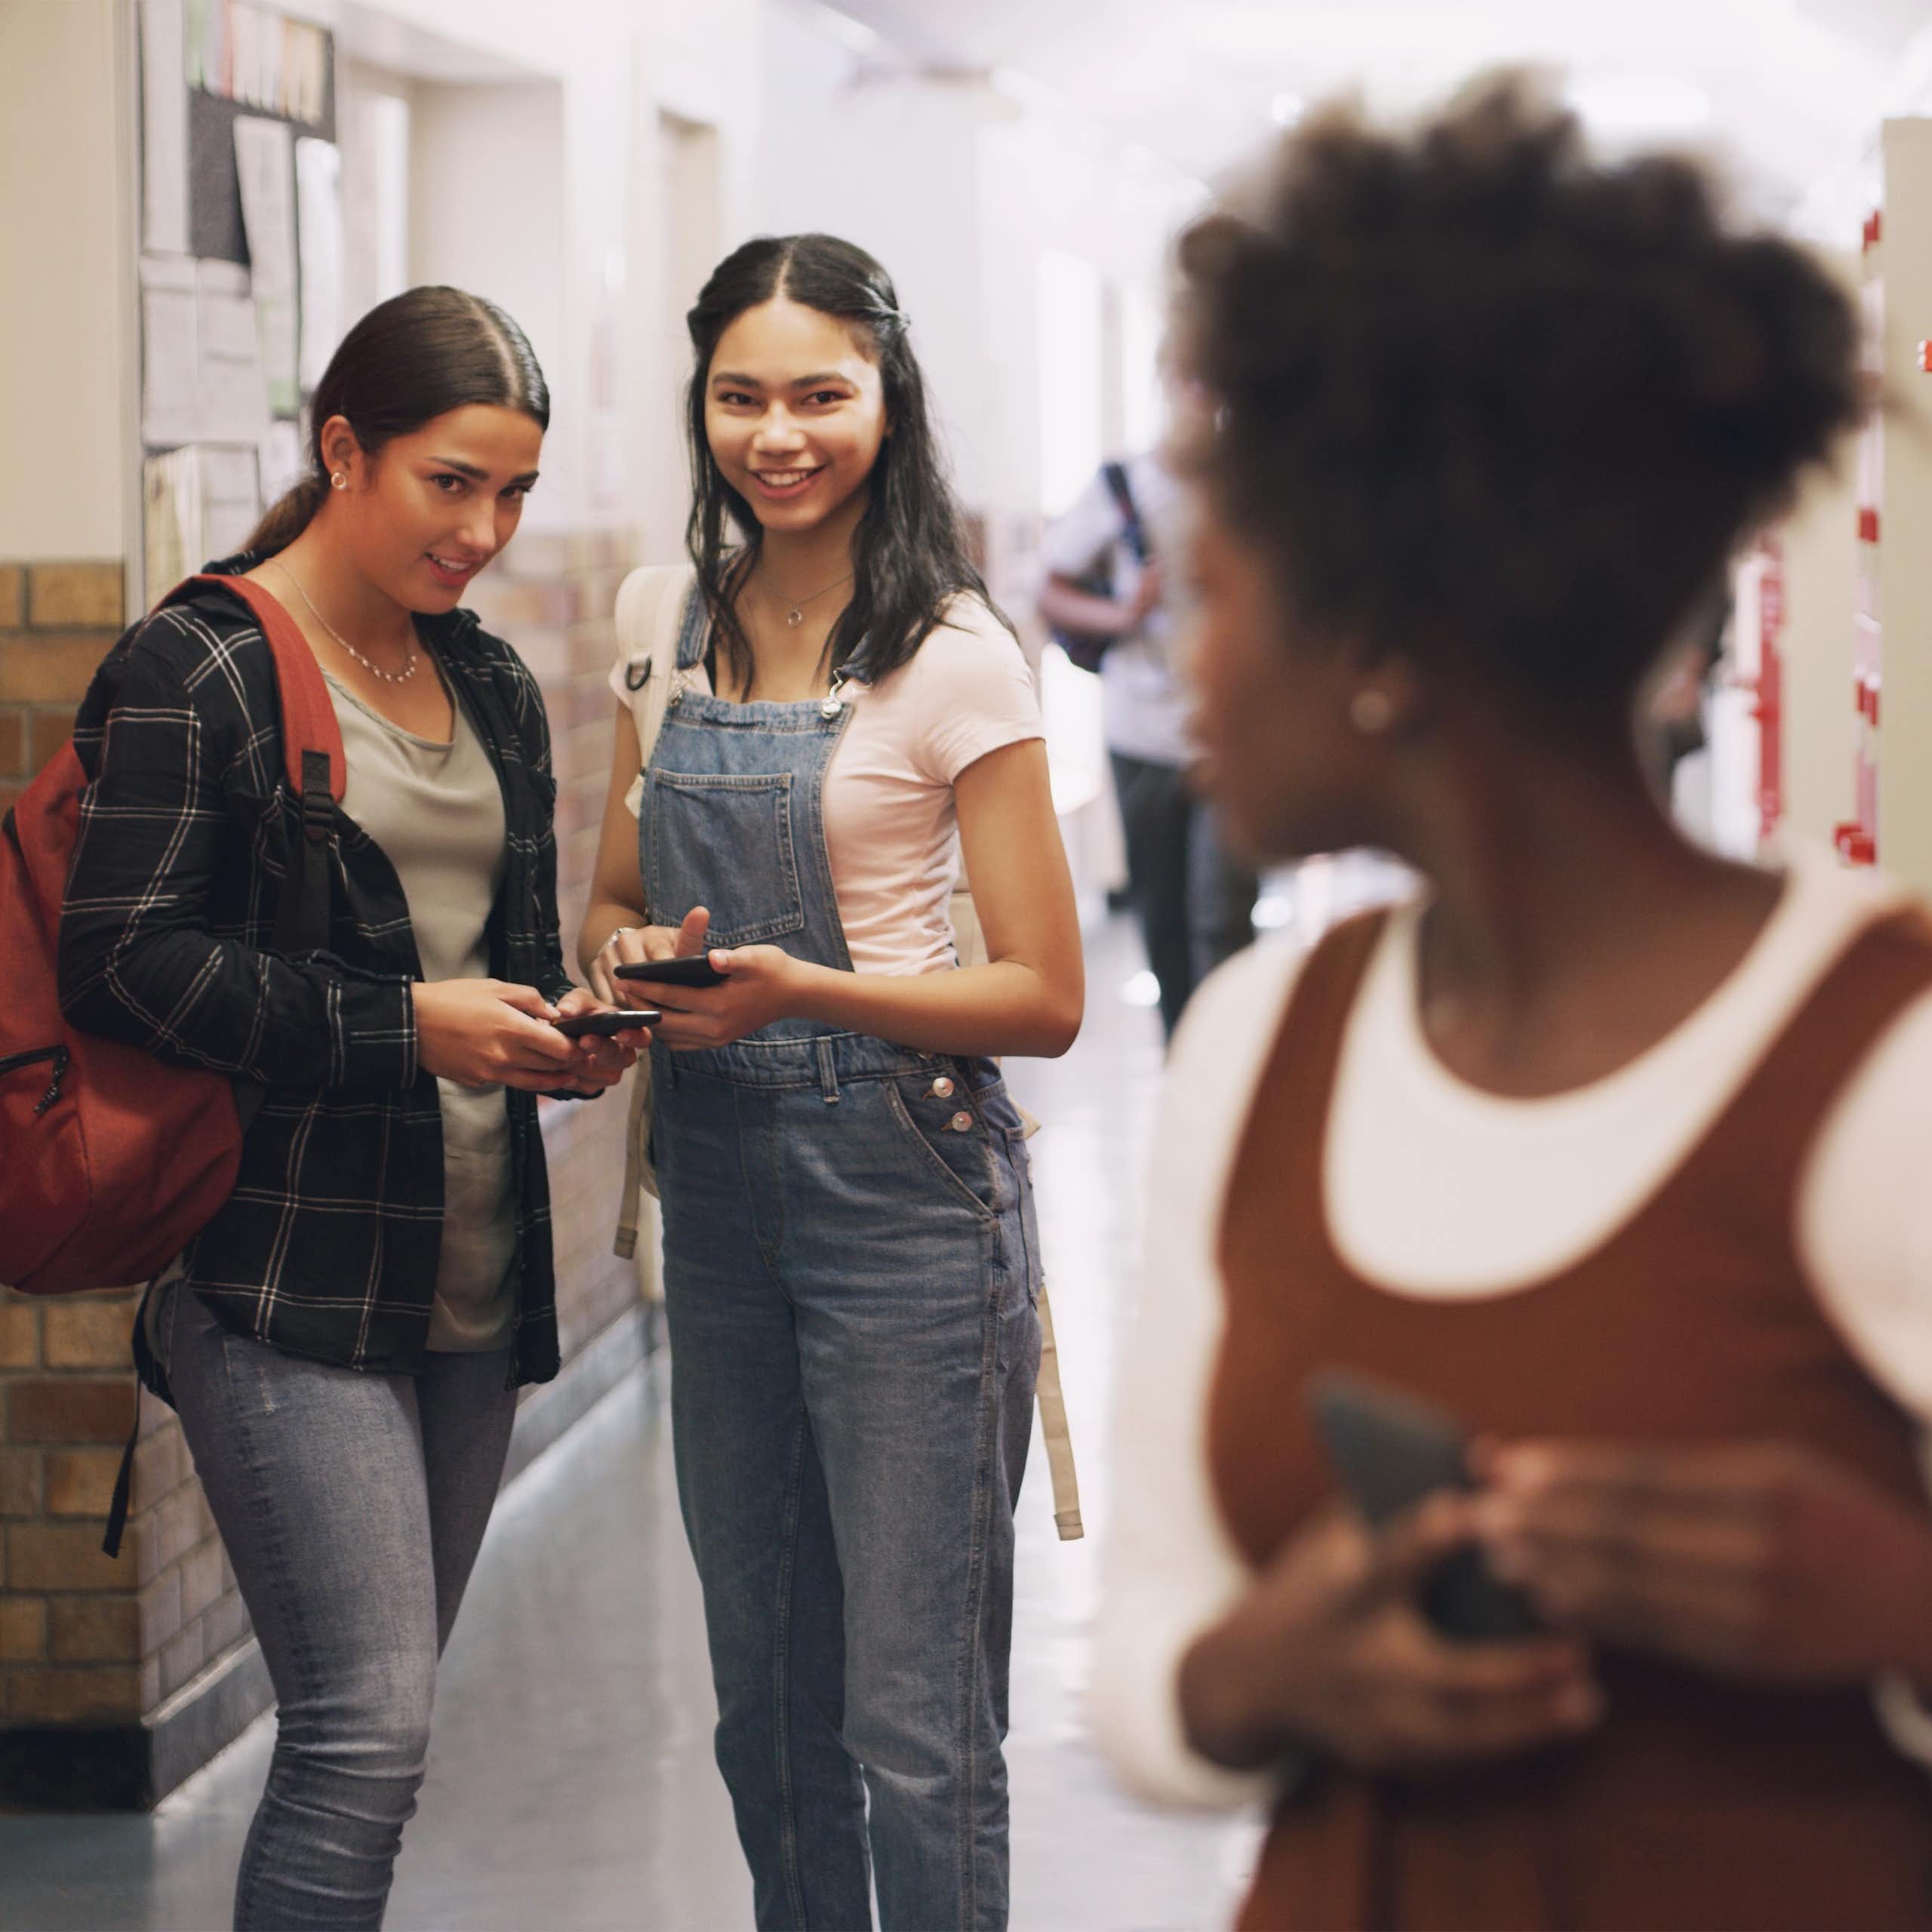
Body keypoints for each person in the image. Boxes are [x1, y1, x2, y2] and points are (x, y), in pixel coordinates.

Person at [1091, 80, 1932, 1930]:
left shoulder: (1883, 1060)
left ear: (1382, 648)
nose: (1187, 671)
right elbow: (1150, 1650)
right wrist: (1261, 1673)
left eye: (1215, 598)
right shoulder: (1257, 1052)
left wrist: (1897, 1604)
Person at [57, 287, 641, 1932]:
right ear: (341, 451)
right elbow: (122, 960)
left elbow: (502, 962)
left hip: (464, 1272)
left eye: (515, 491)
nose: (486, 528)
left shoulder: (495, 685)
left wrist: (566, 1025)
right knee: (364, 1724)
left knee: (382, 1726)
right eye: (451, 482)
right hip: (274, 1274)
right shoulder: (202, 663)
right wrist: (407, 1025)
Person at [577, 232, 1083, 1930]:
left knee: (914, 1724)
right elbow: (611, 896)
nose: (775, 433)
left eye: (819, 394)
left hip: (907, 1196)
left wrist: (814, 992)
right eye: (740, 395)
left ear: (887, 395)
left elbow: (1043, 992)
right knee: (763, 1707)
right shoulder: (664, 618)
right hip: (716, 1195)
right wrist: (623, 973)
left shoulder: (952, 651)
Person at [1039, 445, 1255, 1038]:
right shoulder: (1121, 485)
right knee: (1162, 917)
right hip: (1141, 735)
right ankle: (1184, 1058)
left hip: (1231, 739)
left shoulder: (1259, 471)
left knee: (1223, 916)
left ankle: (1233, 1069)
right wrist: (1125, 614)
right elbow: (1048, 588)